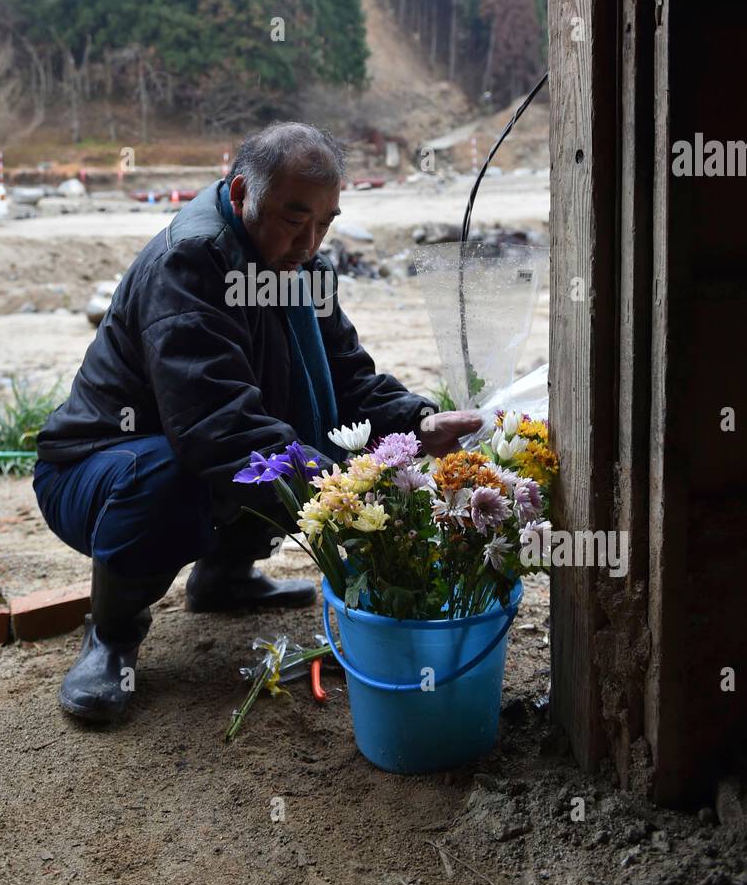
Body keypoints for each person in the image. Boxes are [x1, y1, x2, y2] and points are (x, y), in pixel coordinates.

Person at [33, 122, 480, 722]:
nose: (311, 241)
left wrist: (419, 423)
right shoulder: (190, 264)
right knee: (202, 468)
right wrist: (337, 491)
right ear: (242, 194)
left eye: (326, 222)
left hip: (183, 449)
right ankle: (111, 637)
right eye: (295, 219)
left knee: (298, 440)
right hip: (94, 470)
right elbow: (215, 426)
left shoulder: (304, 270)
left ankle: (223, 577)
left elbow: (348, 380)